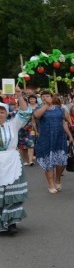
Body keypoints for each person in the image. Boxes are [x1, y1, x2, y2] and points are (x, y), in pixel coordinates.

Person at [0, 86, 31, 235]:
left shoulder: (12, 124)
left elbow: (25, 113)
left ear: (6, 113)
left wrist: (19, 96)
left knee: (11, 194)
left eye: (2, 111)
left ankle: (11, 222)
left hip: (11, 161)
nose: (0, 114)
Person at [33, 91, 74, 193]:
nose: (45, 98)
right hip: (45, 139)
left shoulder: (60, 109)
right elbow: (37, 116)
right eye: (43, 97)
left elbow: (65, 123)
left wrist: (70, 136)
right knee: (48, 162)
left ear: (52, 98)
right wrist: (46, 105)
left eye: (47, 96)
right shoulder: (38, 109)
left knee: (61, 161)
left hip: (59, 138)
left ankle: (58, 179)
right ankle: (51, 185)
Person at [17, 94, 38, 166]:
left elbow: (33, 121)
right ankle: (25, 160)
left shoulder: (30, 111)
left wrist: (36, 130)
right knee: (22, 147)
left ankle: (30, 160)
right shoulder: (16, 112)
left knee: (30, 145)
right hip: (19, 131)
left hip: (30, 130)